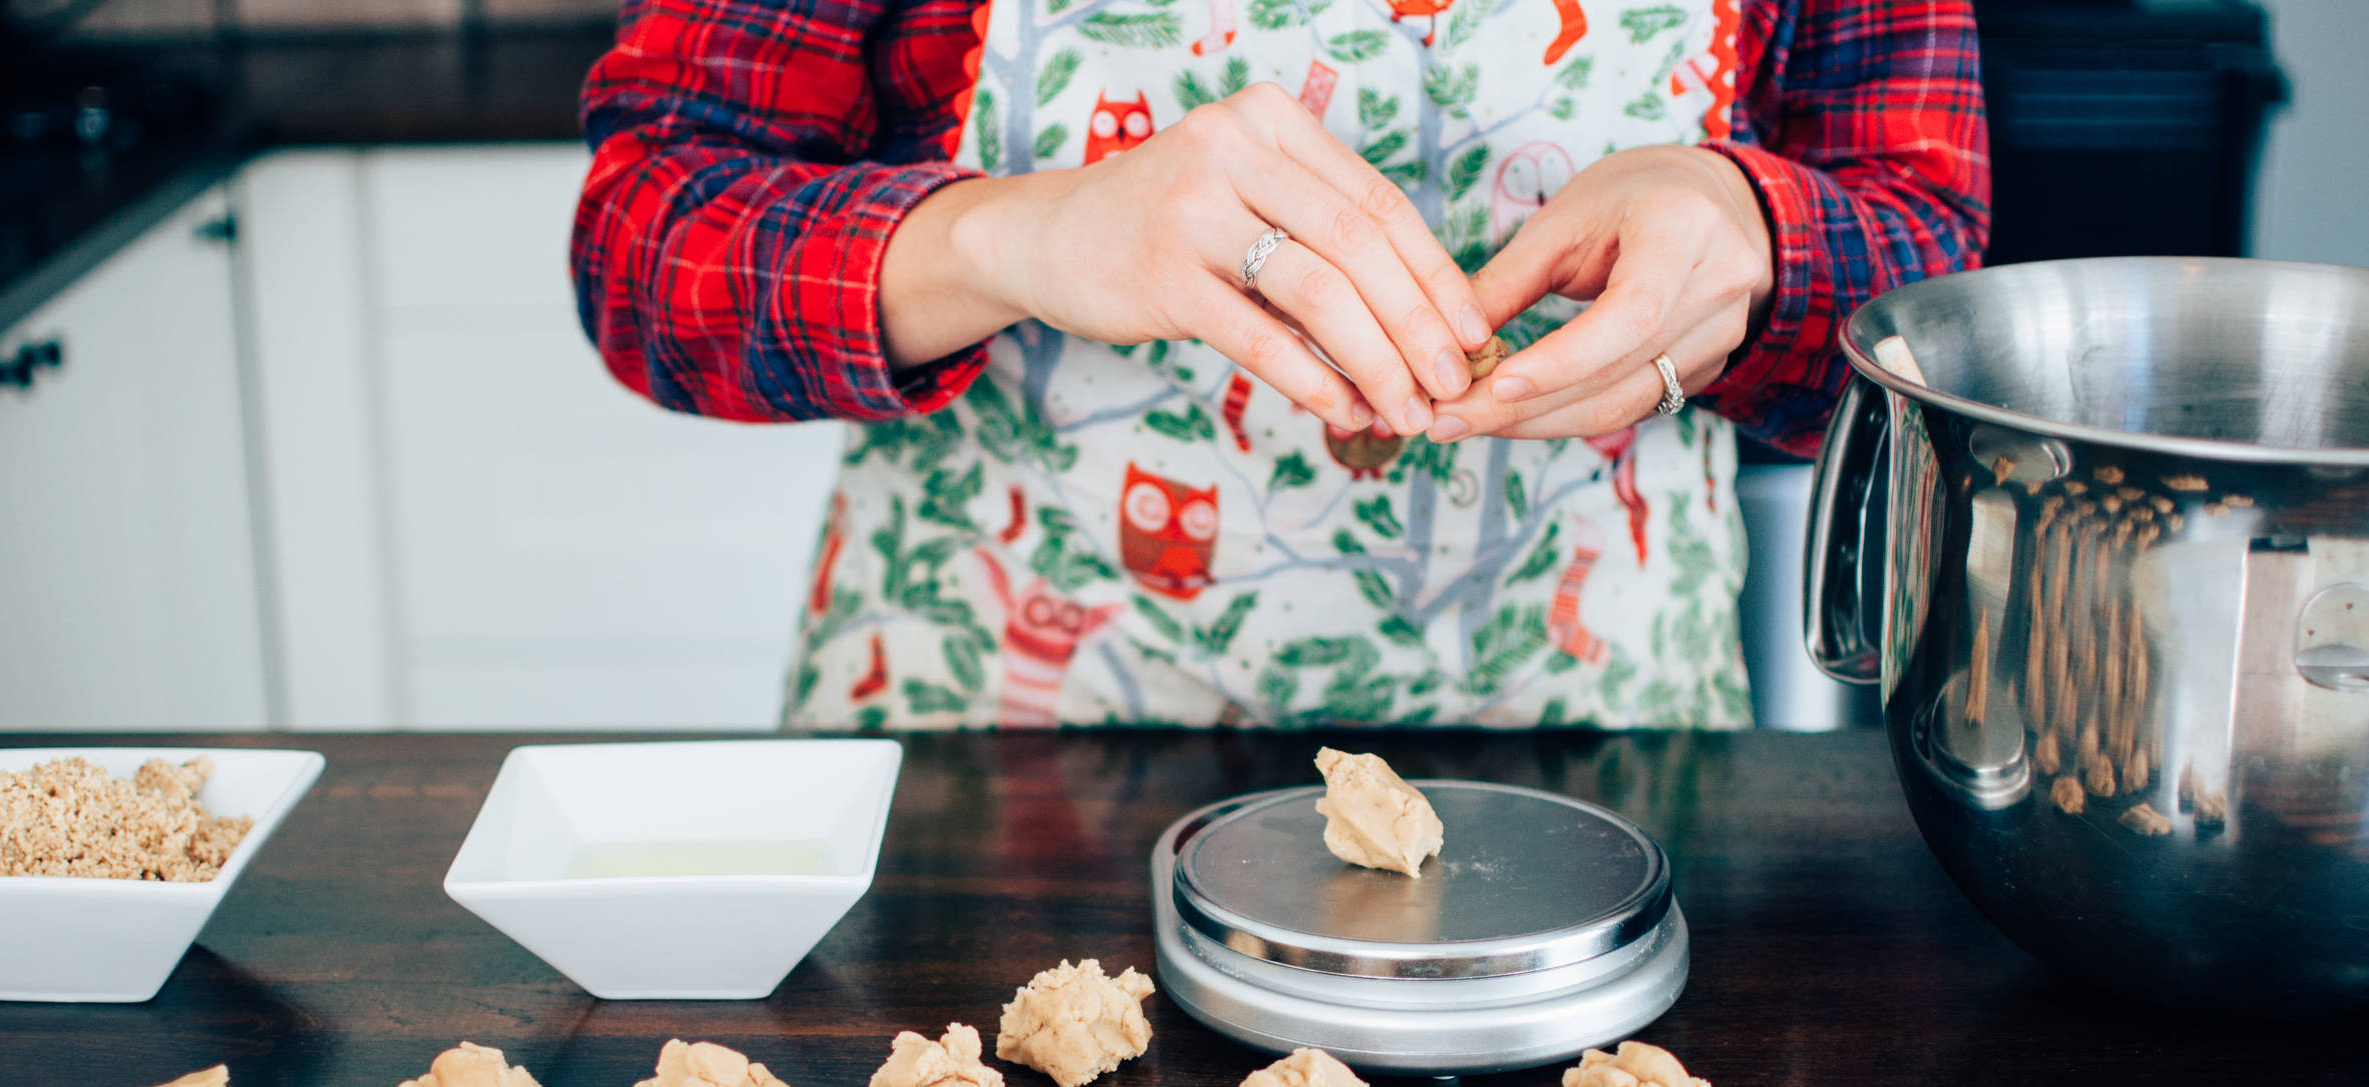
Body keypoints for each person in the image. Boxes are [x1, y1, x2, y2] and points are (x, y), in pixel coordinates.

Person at [572, 0, 1987, 729]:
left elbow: (1927, 265)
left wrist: (1750, 235)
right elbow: (642, 241)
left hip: (1590, 782)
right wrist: (1017, 231)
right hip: (994, 790)